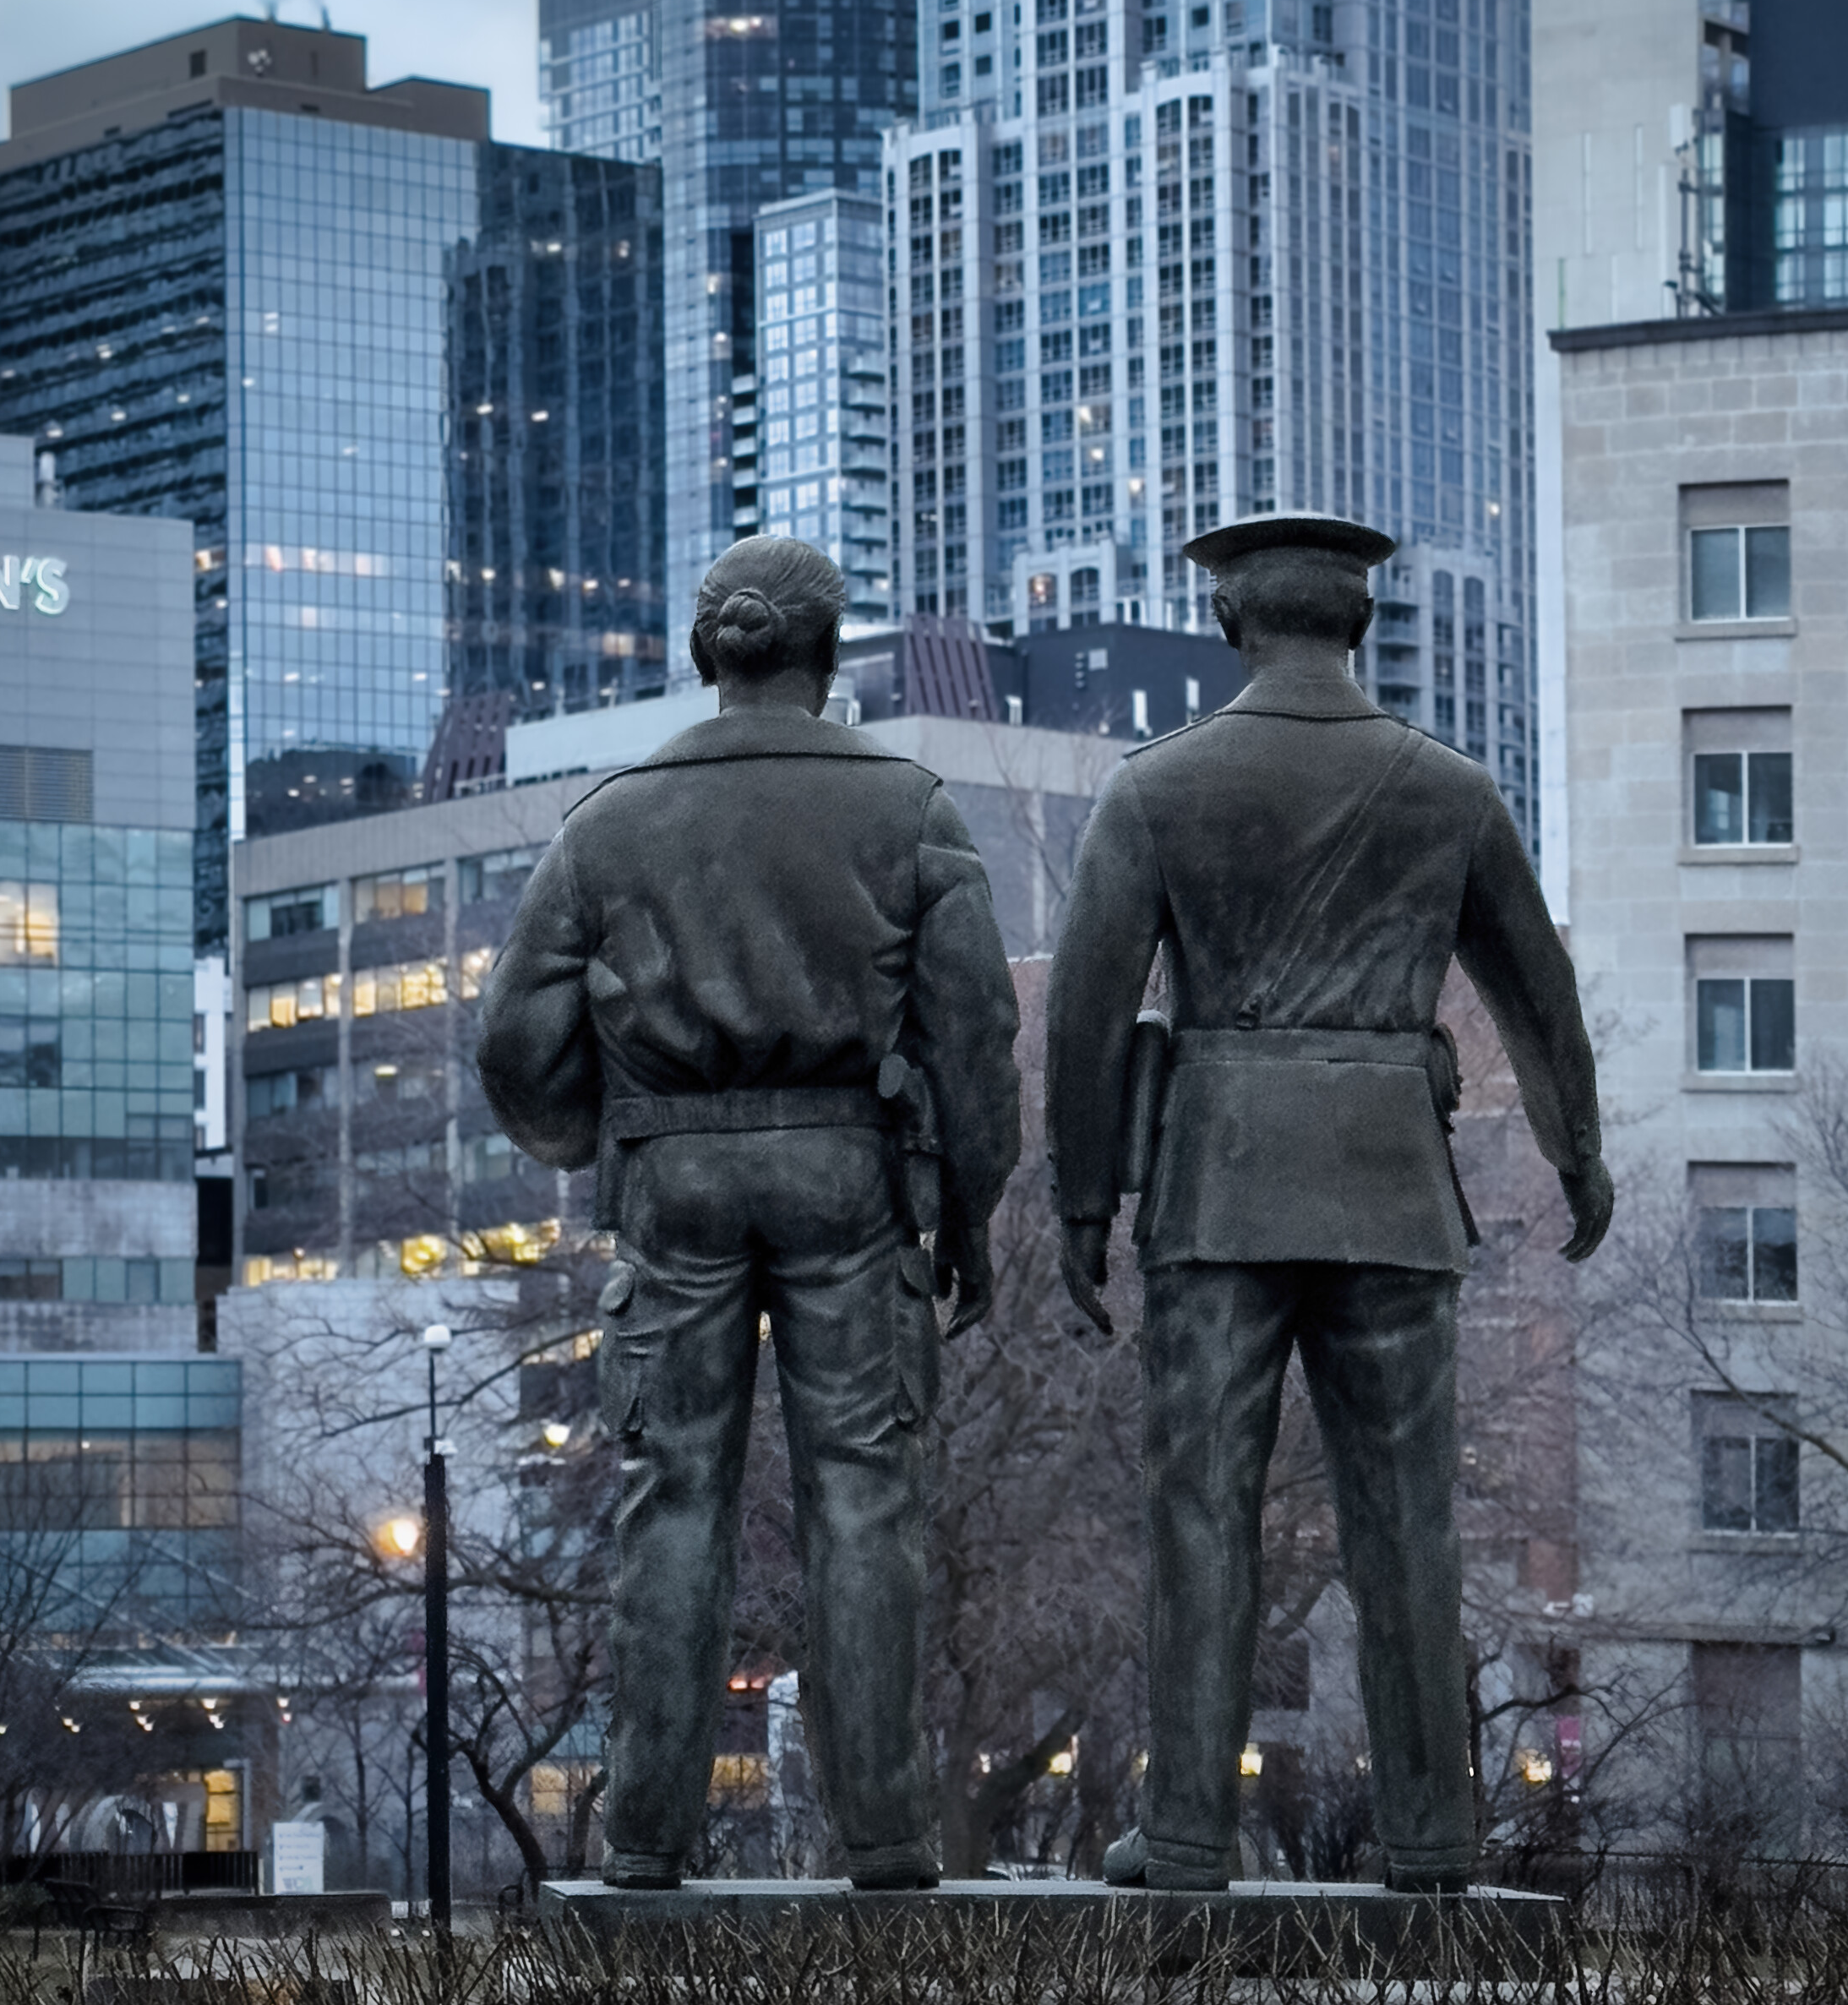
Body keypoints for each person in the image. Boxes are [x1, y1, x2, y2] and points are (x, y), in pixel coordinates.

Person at [1045, 513, 1612, 1894]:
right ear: (1356, 624)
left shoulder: (1157, 787)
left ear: (1233, 622)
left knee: (1200, 1514)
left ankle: (1184, 1833)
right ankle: (1429, 1834)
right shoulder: (1447, 789)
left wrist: (1077, 1199)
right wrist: (1573, 1150)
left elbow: (1084, 1008)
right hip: (1387, 1188)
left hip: (1217, 1185)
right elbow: (1537, 989)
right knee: (1407, 1520)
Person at [479, 536, 1022, 1890]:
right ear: (827, 655)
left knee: (671, 1502)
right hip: (848, 1174)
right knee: (864, 1503)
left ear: (706, 652)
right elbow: (973, 1032)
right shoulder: (908, 807)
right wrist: (967, 1208)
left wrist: (599, 1128)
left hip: (676, 1180)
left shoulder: (608, 817)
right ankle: (886, 1837)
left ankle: (646, 1839)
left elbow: (514, 1039)